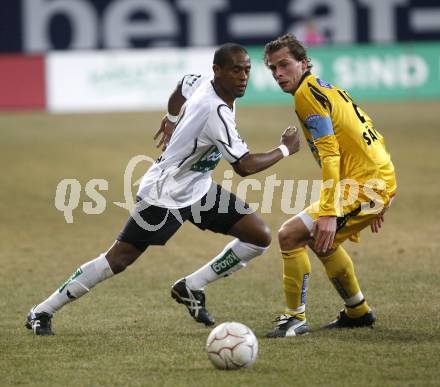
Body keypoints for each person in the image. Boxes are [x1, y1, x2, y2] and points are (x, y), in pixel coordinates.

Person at [26, 43, 301, 336]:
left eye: (246, 70)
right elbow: (244, 166)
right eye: (236, 70)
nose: (243, 77)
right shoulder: (215, 111)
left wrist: (171, 119)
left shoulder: (205, 85)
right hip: (165, 194)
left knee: (258, 236)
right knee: (118, 259)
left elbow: (182, 85)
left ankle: (191, 286)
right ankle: (41, 311)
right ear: (217, 71)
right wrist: (285, 149)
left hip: (197, 189)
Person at [263, 34, 397, 337]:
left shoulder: (306, 95)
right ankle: (358, 311)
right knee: (322, 240)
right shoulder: (325, 88)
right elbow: (368, 130)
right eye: (272, 69)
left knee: (290, 235)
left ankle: (294, 318)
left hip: (366, 185)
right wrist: (382, 190)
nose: (278, 74)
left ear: (304, 62)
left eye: (284, 65)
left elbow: (330, 153)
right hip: (371, 180)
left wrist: (329, 210)